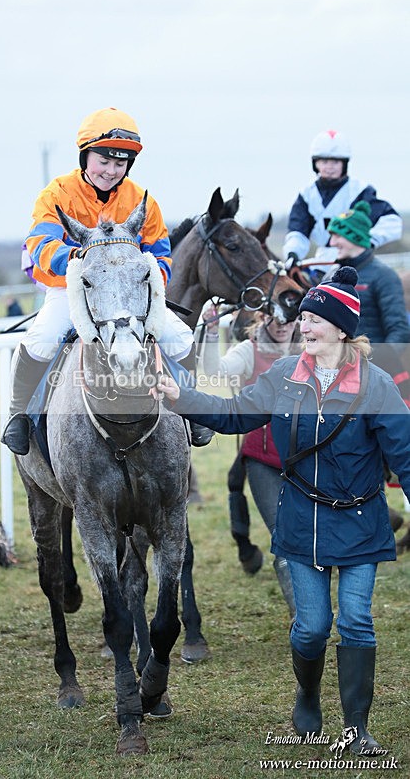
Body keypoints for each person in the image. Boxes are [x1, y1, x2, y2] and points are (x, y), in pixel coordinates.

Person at [154, 267, 410, 754]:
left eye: (315, 319)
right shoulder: (283, 376)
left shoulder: (376, 385)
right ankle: (308, 693)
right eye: (304, 317)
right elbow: (235, 415)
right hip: (303, 520)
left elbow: (405, 454)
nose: (305, 326)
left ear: (341, 329)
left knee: (356, 620)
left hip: (360, 520)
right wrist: (180, 397)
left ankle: (357, 730)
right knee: (312, 627)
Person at [1, 106, 213, 455]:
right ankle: (19, 415)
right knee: (43, 337)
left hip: (130, 296)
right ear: (86, 155)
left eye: (120, 163)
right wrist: (74, 260)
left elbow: (160, 252)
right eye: (104, 160)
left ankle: (192, 409)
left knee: (180, 337)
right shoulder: (56, 195)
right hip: (72, 288)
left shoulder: (141, 200)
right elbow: (41, 242)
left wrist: (148, 282)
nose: (111, 170)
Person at [203, 306, 299, 616]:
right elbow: (213, 371)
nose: (282, 325)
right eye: (275, 317)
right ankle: (304, 621)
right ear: (262, 317)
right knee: (283, 538)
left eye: (290, 318)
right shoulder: (249, 350)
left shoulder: (312, 346)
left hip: (307, 460)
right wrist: (211, 331)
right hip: (263, 458)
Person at [283, 130, 403, 282]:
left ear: (344, 164)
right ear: (316, 164)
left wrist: (368, 241)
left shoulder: (360, 191)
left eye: (335, 162)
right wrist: (293, 253)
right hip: (321, 263)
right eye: (324, 161)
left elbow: (393, 221)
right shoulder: (306, 195)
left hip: (357, 263)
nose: (330, 167)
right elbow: (297, 231)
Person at [327, 200, 410, 403]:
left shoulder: (384, 275)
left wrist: (376, 363)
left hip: (372, 375)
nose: (332, 242)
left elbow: (399, 330)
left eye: (338, 235)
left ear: (354, 237)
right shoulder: (330, 276)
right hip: (333, 372)